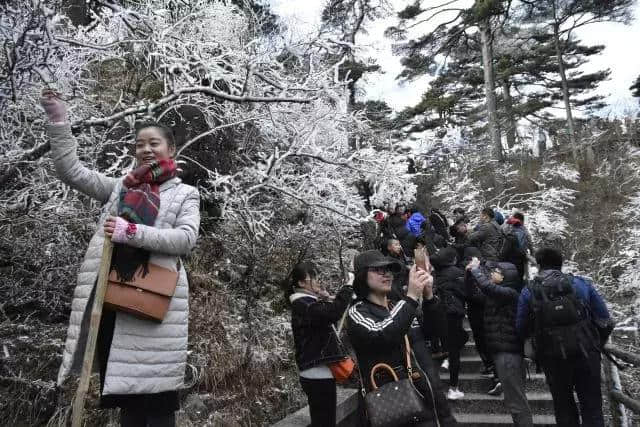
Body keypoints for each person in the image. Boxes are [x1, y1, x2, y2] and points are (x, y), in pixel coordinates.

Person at [41, 89, 200, 426]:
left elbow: (186, 239)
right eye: (140, 143)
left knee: (156, 403)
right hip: (117, 300)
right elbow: (73, 172)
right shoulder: (122, 187)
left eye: (153, 143)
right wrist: (59, 121)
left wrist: (132, 232)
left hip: (156, 307)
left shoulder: (186, 193)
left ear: (171, 150)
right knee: (127, 401)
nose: (145, 149)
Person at [347, 250, 457, 426]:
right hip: (399, 407)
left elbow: (436, 333)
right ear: (361, 276)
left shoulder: (398, 307)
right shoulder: (357, 312)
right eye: (378, 269)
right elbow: (382, 334)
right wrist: (412, 296)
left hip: (433, 401)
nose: (387, 274)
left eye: (389, 269)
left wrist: (428, 297)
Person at [516, 248, 613, 427]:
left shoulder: (528, 291)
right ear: (561, 263)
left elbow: (520, 327)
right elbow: (605, 320)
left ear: (538, 265)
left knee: (563, 407)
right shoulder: (580, 284)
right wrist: (597, 342)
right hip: (586, 352)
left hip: (552, 356)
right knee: (592, 405)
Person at [467, 258, 533, 427]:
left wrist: (476, 270)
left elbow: (486, 287)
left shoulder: (510, 294)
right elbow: (474, 295)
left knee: (516, 401)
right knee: (515, 400)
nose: (491, 274)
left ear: (504, 277)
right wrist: (469, 274)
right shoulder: (496, 295)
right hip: (502, 353)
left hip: (509, 354)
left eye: (495, 271)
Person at [288, 262, 354, 427]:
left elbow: (327, 313)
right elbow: (333, 313)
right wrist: (348, 286)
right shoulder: (303, 304)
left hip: (318, 372)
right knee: (324, 422)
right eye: (313, 277)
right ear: (301, 283)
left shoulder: (308, 302)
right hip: (317, 374)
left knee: (323, 420)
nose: (318, 280)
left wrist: (324, 298)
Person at [430, 247, 468, 400]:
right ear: (452, 259)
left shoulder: (435, 273)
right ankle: (453, 388)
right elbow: (465, 292)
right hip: (453, 313)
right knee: (455, 350)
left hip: (438, 313)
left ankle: (446, 360)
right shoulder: (457, 273)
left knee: (456, 341)